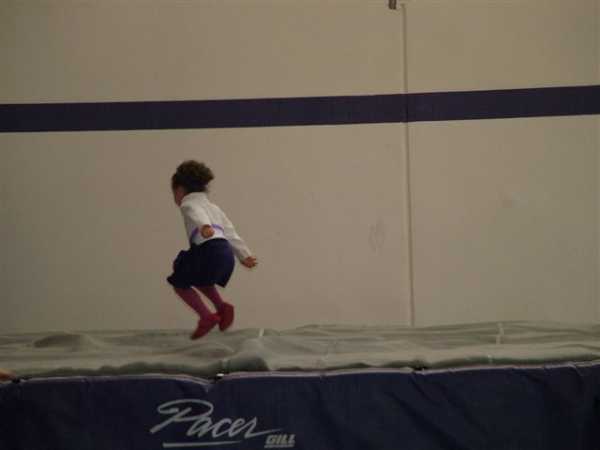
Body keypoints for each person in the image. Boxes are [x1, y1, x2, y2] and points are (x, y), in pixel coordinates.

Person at [168, 160, 257, 339]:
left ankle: (206, 316)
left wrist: (204, 226)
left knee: (179, 281)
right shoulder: (215, 208)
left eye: (174, 193)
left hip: (208, 249)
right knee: (201, 279)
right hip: (225, 253)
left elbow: (195, 212)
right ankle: (221, 307)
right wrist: (244, 255)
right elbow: (230, 232)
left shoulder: (187, 203)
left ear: (180, 190)